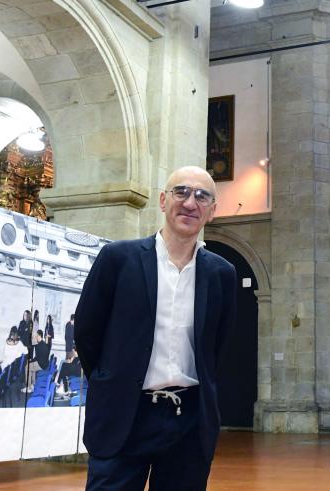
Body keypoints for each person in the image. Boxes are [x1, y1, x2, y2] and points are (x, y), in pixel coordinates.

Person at [75, 165, 237, 491]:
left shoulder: (222, 274)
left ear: (212, 211)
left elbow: (216, 347)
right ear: (163, 200)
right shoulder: (118, 259)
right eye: (182, 192)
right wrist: (113, 380)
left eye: (202, 196)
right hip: (124, 416)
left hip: (189, 423)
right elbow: (87, 332)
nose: (191, 203)